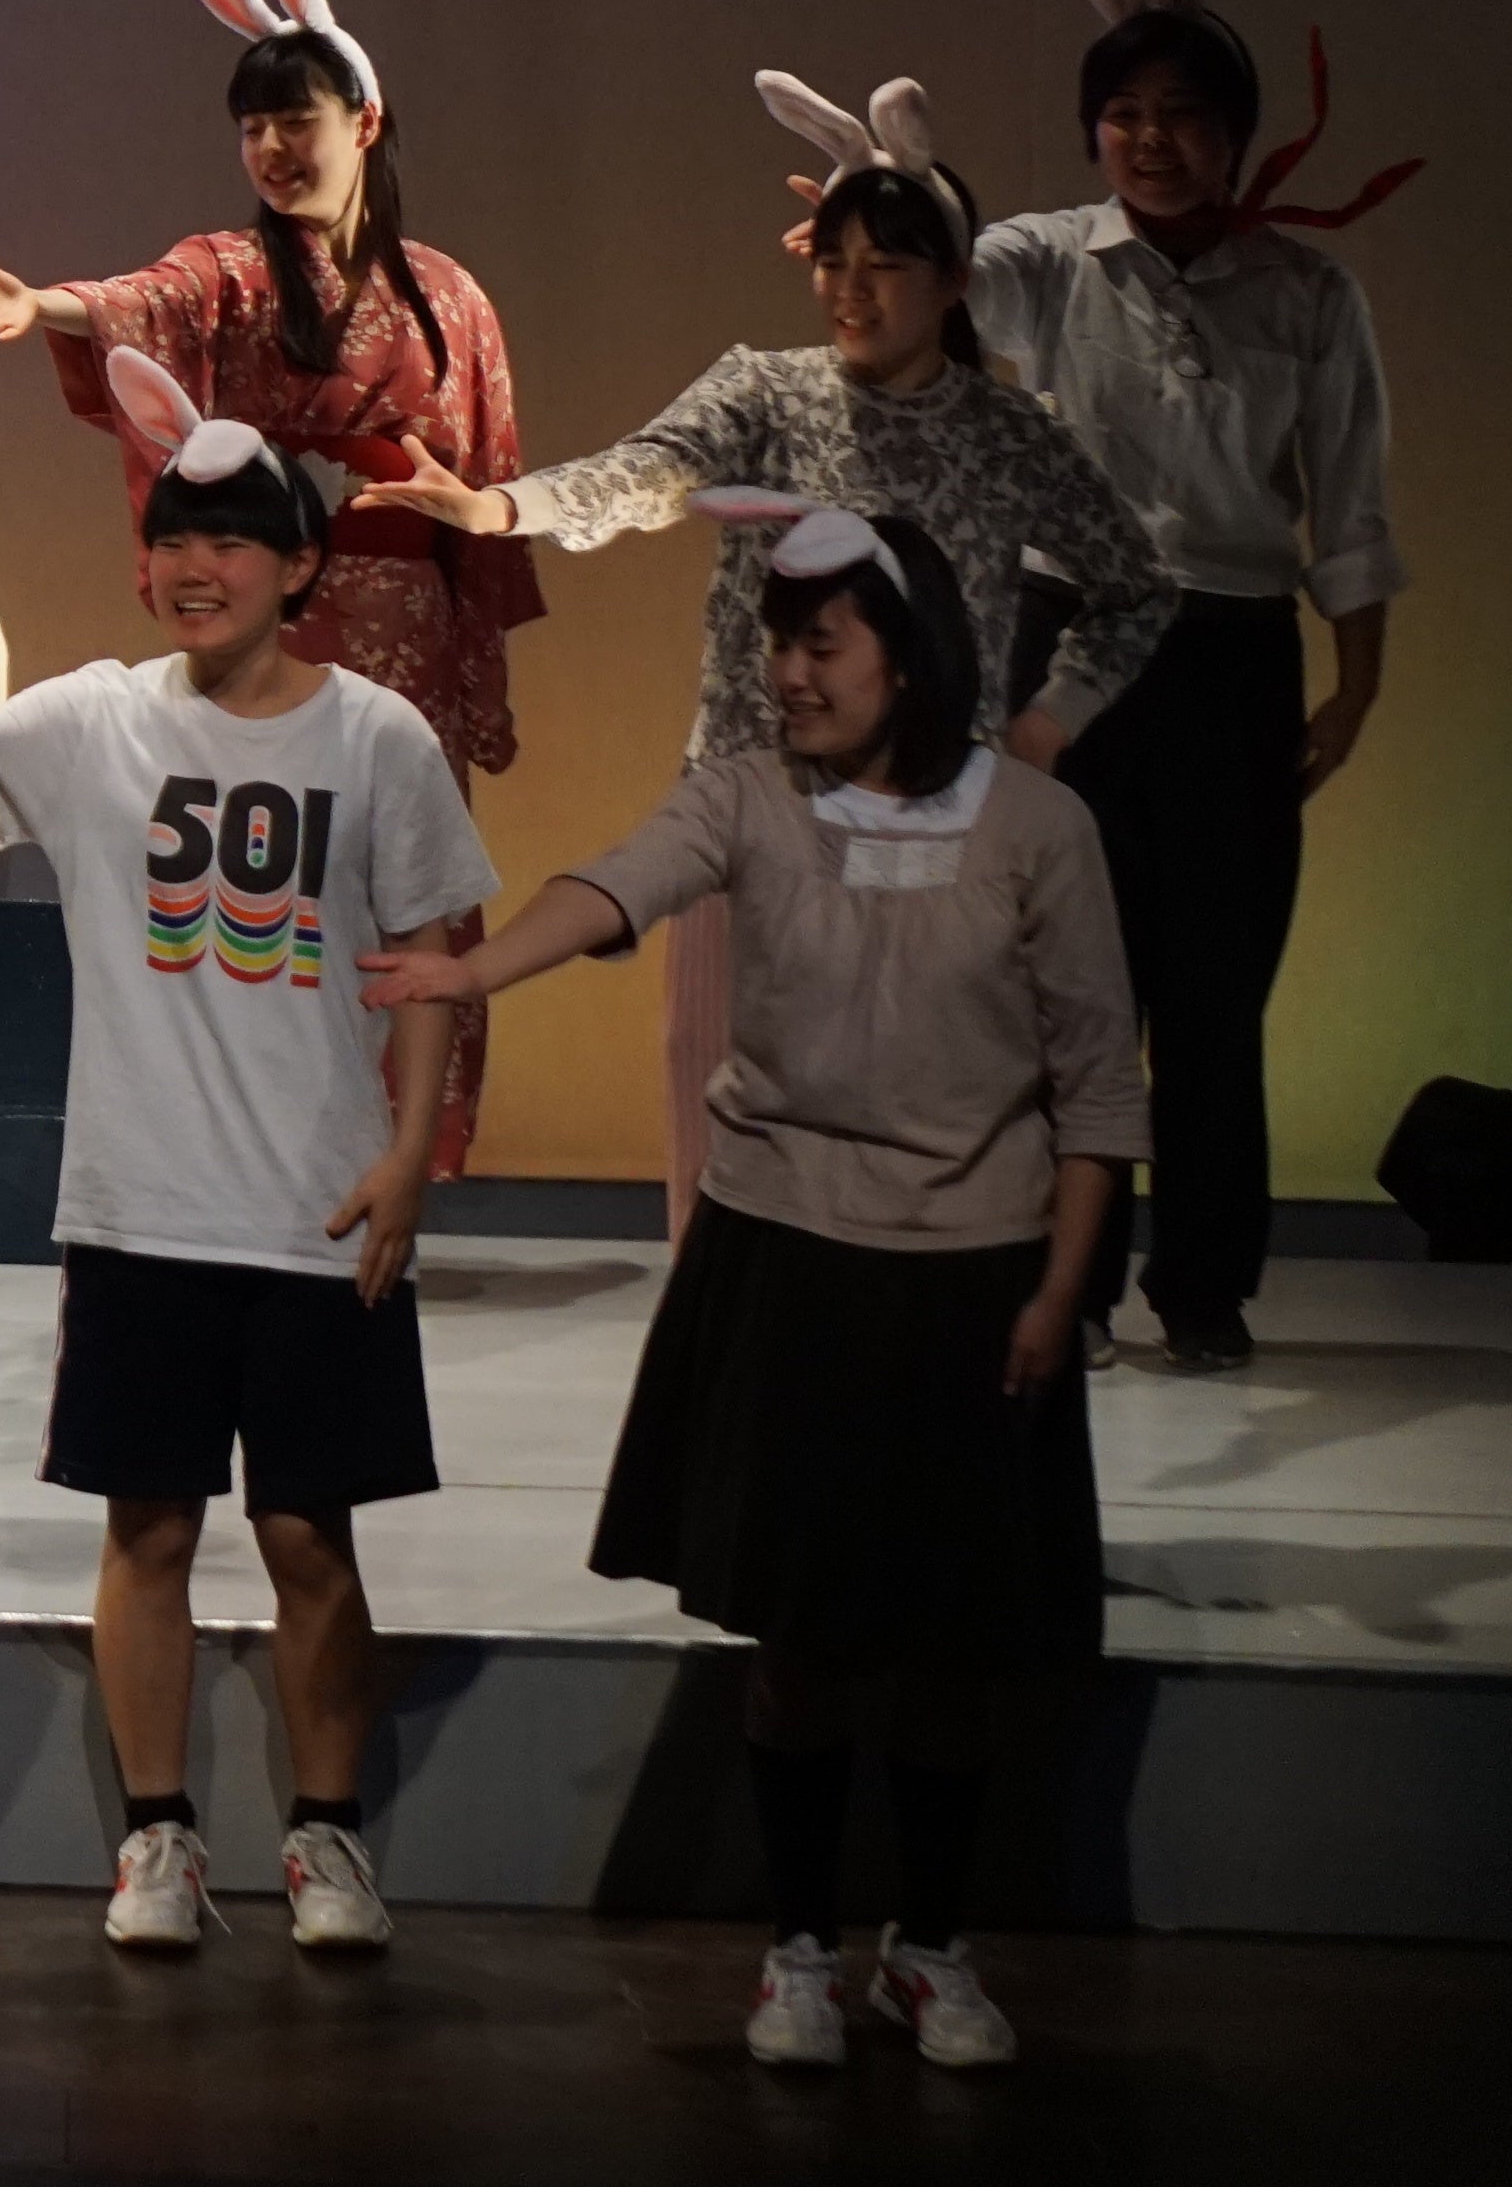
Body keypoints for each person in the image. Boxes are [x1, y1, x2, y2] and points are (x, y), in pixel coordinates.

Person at [0, 353, 498, 1960]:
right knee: (150, 1531)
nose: (194, 567)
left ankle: (326, 1836)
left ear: (299, 567)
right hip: (140, 1210)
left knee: (312, 1539)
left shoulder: (378, 739)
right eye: (172, 541)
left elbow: (429, 964)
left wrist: (410, 1159)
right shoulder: (98, 719)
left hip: (322, 1210)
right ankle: (157, 1837)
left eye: (230, 542)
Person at [361, 501, 1139, 2073]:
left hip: (973, 1275)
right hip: (788, 1258)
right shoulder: (747, 798)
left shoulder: (1039, 829)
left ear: (907, 656)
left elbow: (1100, 1090)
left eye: (822, 644)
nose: (789, 672)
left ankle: (930, 1947)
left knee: (948, 1648)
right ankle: (798, 1948)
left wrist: (1061, 1292)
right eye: (779, 643)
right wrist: (471, 969)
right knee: (804, 1634)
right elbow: (615, 885)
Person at [381, 91, 1168, 1250]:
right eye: (834, 261)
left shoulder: (1009, 435)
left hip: (937, 821)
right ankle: (727, 1313)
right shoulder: (768, 390)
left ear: (953, 281)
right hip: (756, 806)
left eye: (886, 265)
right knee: (721, 1105)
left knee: (918, 1100)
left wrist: (1052, 719)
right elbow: (650, 470)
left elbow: (1136, 581)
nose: (852, 288)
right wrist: (503, 507)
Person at [0, 0, 526, 1173]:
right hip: (283, 621)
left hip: (409, 631)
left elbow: (484, 474)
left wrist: (477, 630)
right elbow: (143, 300)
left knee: (399, 881)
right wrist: (46, 304)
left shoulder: (451, 297)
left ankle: (399, 1152)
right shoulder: (234, 270)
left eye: (295, 120)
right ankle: (252, 1146)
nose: (272, 147)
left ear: (364, 121)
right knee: (271, 883)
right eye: (253, 127)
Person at [965, 0, 1407, 1375]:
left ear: (1237, 130)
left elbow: (1350, 505)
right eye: (1125, 114)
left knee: (1218, 991)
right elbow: (943, 278)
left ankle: (1206, 1288)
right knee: (1068, 985)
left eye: (1182, 114)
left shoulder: (1309, 294)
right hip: (1067, 637)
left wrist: (1354, 692)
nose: (1151, 139)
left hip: (1230, 654)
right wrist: (870, 215)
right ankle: (1068, 1286)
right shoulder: (1047, 258)